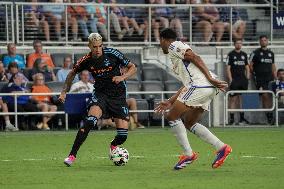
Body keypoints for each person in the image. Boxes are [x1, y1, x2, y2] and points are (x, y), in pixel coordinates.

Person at [155, 28, 232, 170]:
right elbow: (187, 84)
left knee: (172, 116)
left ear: (163, 40)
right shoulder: (177, 56)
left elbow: (195, 57)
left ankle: (188, 154)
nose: (160, 45)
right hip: (207, 87)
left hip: (202, 85)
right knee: (190, 122)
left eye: (160, 42)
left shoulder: (174, 46)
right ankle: (222, 147)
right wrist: (171, 101)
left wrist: (208, 78)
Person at [58, 33, 136, 166]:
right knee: (90, 121)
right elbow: (72, 73)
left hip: (118, 96)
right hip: (101, 94)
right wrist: (64, 92)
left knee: (123, 135)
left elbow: (133, 67)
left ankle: (113, 145)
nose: (98, 49)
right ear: (89, 46)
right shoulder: (86, 60)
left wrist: (122, 77)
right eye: (95, 47)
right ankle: (72, 155)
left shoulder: (112, 53)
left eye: (100, 46)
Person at [249, 35, 277, 124]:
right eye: (262, 40)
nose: (264, 42)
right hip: (260, 79)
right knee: (265, 96)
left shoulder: (271, 53)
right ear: (260, 42)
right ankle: (269, 116)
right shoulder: (255, 52)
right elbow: (250, 65)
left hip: (270, 78)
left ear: (267, 41)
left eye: (265, 40)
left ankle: (272, 115)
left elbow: (273, 66)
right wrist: (254, 74)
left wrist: (275, 77)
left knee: (270, 96)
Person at [226, 39, 250, 125]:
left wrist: (247, 77)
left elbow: (247, 67)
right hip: (235, 80)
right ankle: (232, 119)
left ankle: (241, 119)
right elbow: (228, 68)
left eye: (240, 43)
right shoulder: (231, 54)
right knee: (233, 99)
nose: (239, 44)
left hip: (242, 80)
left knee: (241, 99)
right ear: (234, 44)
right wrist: (230, 79)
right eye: (237, 43)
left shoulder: (244, 55)